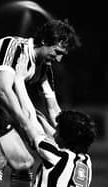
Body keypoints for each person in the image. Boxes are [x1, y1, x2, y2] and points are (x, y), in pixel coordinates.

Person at [0, 19, 81, 187]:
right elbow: (5, 91)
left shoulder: (44, 69)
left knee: (24, 165)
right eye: (58, 52)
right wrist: (26, 125)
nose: (59, 59)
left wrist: (71, 140)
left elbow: (54, 109)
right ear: (45, 41)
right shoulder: (14, 46)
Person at [11, 57, 96, 187]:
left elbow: (30, 123)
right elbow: (56, 129)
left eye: (58, 130)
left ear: (65, 139)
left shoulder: (56, 156)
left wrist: (18, 79)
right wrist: (45, 82)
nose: (54, 132)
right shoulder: (86, 162)